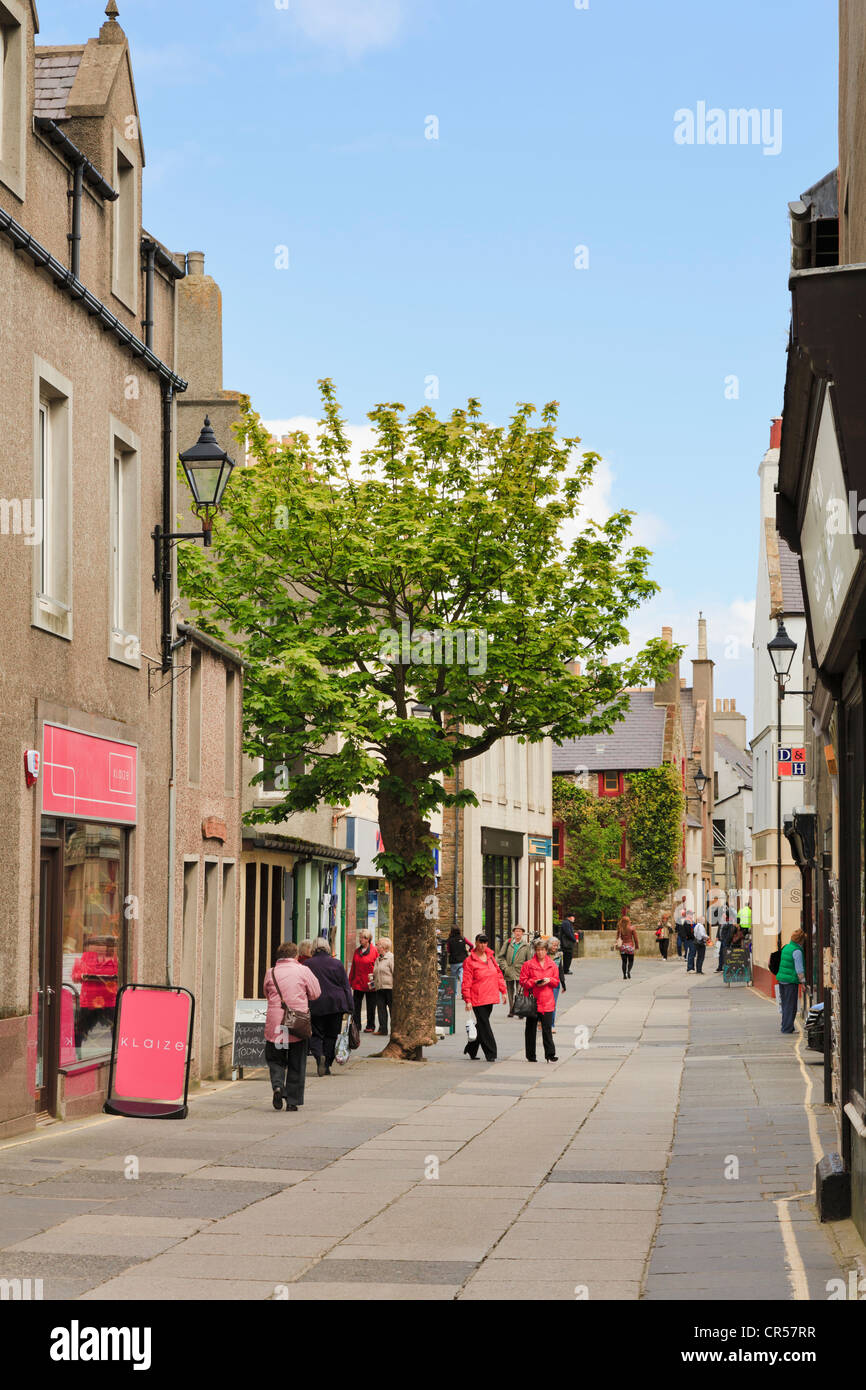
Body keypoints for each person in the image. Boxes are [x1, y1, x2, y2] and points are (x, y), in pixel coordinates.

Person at [263, 941, 321, 1111]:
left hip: (276, 1022)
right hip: (297, 1021)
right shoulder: (303, 970)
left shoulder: (271, 972)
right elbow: (316, 993)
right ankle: (293, 1101)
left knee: (275, 1058)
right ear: (295, 955)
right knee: (297, 1061)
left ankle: (278, 1086)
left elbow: (266, 993)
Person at [306, 937, 354, 1076]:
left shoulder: (307, 964)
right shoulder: (337, 964)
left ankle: (318, 1055)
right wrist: (350, 1006)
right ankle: (326, 1064)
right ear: (328, 948)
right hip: (335, 1004)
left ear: (313, 948)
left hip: (315, 1003)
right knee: (332, 1035)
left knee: (315, 1034)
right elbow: (345, 986)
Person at [461, 933, 507, 1062]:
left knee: (481, 1025)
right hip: (477, 997)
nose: (483, 945)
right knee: (485, 1025)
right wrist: (468, 1000)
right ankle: (491, 1052)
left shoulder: (491, 958)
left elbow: (498, 974)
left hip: (490, 996)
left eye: (485, 942)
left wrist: (503, 991)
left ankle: (471, 1048)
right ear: (475, 943)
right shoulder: (469, 961)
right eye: (480, 942)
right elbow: (466, 982)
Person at [519, 937, 559, 1062]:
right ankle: (531, 1055)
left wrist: (549, 980)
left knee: (547, 1029)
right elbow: (523, 981)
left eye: (542, 950)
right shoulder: (528, 965)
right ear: (535, 951)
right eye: (538, 950)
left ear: (546, 951)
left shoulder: (552, 965)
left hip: (547, 1001)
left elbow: (556, 982)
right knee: (530, 1029)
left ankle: (550, 1054)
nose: (540, 952)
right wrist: (534, 982)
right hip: (533, 1001)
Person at [776, 928, 807, 1034]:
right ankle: (787, 1028)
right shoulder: (797, 951)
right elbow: (799, 969)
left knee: (785, 1004)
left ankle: (785, 1025)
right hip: (790, 981)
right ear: (801, 940)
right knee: (791, 1005)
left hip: (782, 980)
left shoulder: (786, 947)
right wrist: (803, 982)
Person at [349, 929, 379, 1033]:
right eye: (360, 937)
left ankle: (370, 1025)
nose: (360, 940)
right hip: (358, 983)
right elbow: (353, 966)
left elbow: (377, 967)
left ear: (368, 939)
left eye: (362, 938)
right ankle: (356, 1025)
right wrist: (350, 981)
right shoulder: (357, 951)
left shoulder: (375, 951)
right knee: (356, 1006)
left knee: (371, 1006)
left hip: (370, 984)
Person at [497, 924, 531, 1015]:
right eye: (516, 931)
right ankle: (511, 1009)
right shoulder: (508, 943)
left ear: (523, 933)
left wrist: (528, 972)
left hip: (521, 972)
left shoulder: (526, 945)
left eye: (520, 931)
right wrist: (505, 967)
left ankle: (519, 1009)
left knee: (520, 991)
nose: (518, 933)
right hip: (509, 971)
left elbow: (529, 961)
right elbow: (500, 957)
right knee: (510, 991)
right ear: (513, 932)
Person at [372, 936, 394, 1035]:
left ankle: (395, 1030)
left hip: (389, 988)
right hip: (379, 987)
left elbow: (394, 973)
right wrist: (372, 976)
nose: (376, 946)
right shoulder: (378, 959)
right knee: (381, 1009)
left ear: (384, 947)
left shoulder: (391, 958)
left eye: (378, 945)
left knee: (392, 1010)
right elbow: (377, 972)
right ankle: (383, 1029)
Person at [546, 936, 566, 1028]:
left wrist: (563, 984)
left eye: (556, 946)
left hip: (555, 983)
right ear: (549, 945)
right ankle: (541, 1020)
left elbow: (560, 969)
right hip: (544, 983)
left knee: (553, 1004)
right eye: (553, 945)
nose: (555, 947)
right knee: (543, 1003)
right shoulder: (544, 955)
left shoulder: (559, 955)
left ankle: (552, 1024)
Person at [446, 926, 472, 991]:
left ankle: (453, 993)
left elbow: (448, 950)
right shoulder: (463, 938)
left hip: (454, 961)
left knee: (453, 978)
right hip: (463, 960)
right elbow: (471, 945)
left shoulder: (449, 940)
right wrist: (469, 951)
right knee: (462, 977)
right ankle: (464, 991)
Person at [716, 907, 735, 974]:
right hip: (720, 940)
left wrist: (726, 940)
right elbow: (719, 929)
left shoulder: (729, 922)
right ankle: (720, 967)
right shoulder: (722, 921)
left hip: (725, 941)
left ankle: (725, 967)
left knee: (725, 954)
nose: (723, 915)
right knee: (720, 954)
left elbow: (730, 933)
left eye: (725, 914)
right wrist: (717, 936)